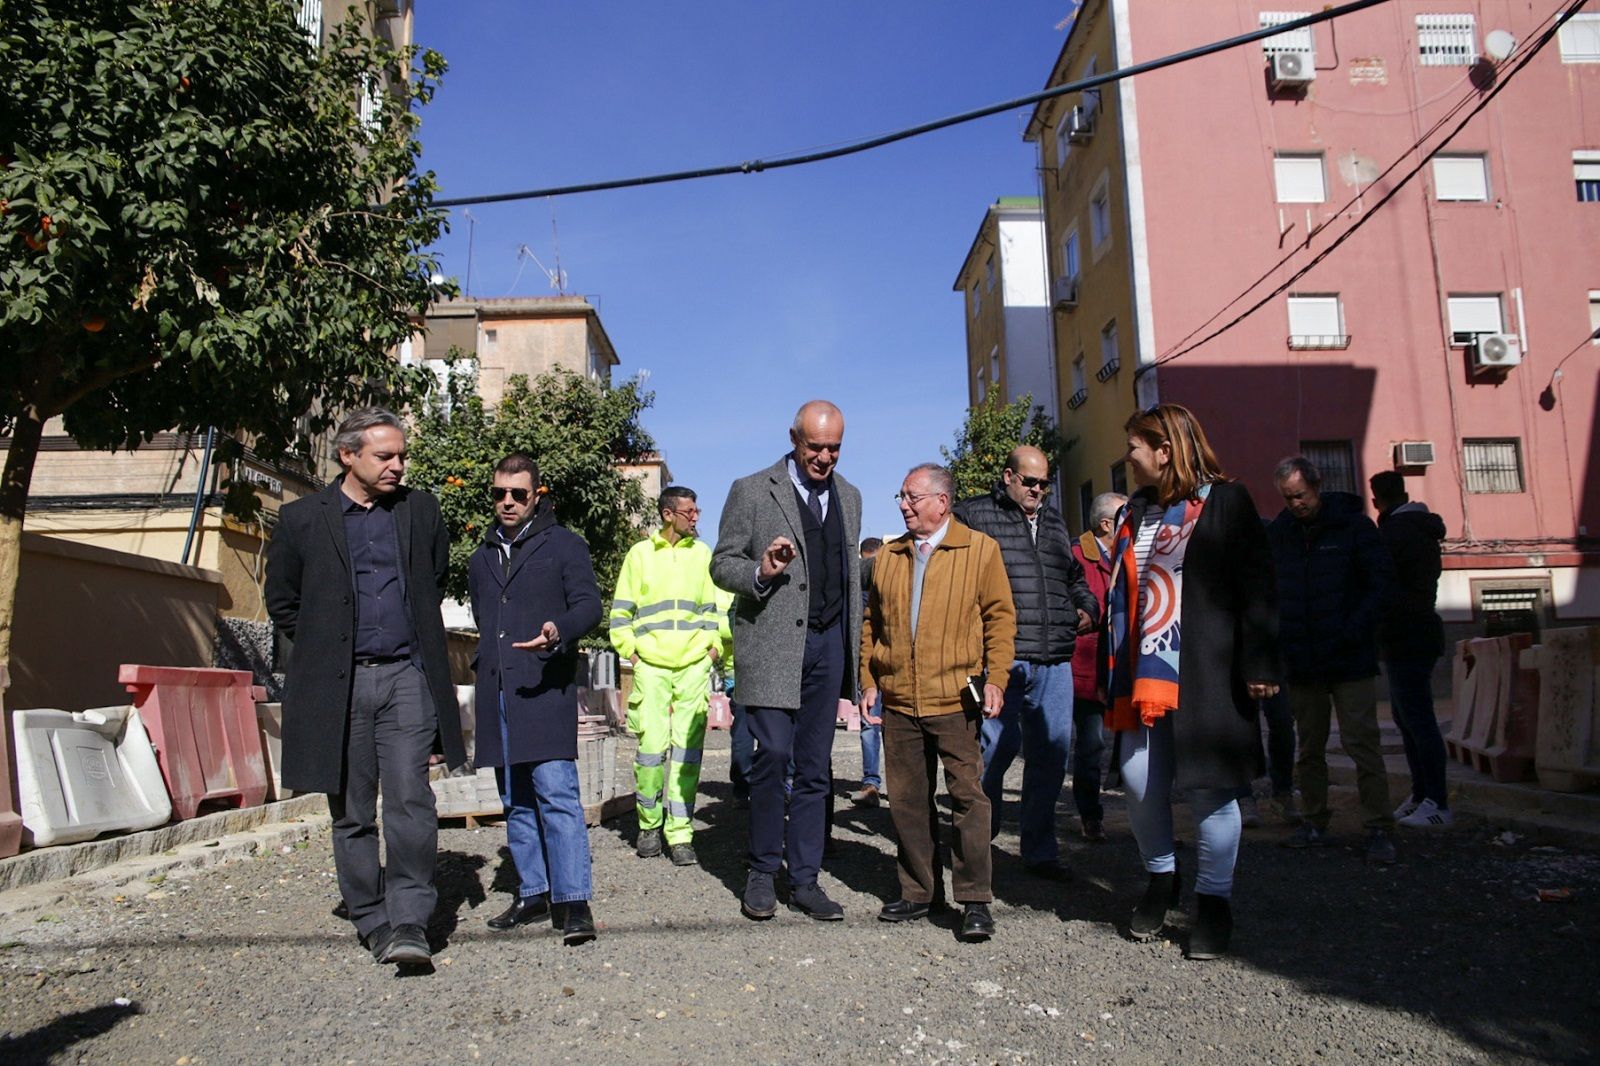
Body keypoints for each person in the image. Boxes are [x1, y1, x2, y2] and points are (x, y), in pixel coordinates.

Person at [265, 407, 465, 967]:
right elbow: (283, 603)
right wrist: (328, 644)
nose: (398, 465)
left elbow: (435, 574)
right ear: (347, 455)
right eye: (385, 456)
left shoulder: (420, 511)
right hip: (341, 685)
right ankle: (371, 917)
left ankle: (408, 920)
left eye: (402, 455)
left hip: (407, 677)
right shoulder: (302, 519)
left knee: (411, 800)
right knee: (351, 809)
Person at [1102, 404, 1279, 961]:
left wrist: (1261, 662)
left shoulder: (1226, 502)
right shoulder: (1134, 512)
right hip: (1140, 672)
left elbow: (1257, 584)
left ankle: (1214, 900)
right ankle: (1161, 876)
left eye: (1134, 446)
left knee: (1209, 789)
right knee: (1137, 779)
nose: (1127, 457)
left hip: (1207, 669)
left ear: (1165, 449)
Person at [711, 400, 862, 922]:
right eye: (815, 446)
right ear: (794, 438)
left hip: (827, 647)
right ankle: (760, 870)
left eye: (834, 448)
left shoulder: (850, 496)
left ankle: (805, 880)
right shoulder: (751, 490)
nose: (824, 458)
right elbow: (721, 563)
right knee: (773, 756)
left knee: (817, 768)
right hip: (772, 647)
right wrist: (762, 570)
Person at [861, 463, 1016, 941]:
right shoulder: (888, 556)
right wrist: (869, 679)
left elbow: (1000, 619)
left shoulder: (979, 550)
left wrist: (997, 679)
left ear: (942, 502)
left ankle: (974, 900)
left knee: (968, 798)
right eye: (901, 497)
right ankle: (918, 891)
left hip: (955, 697)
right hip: (901, 699)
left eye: (912, 497)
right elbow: (872, 624)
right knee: (907, 800)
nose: (904, 505)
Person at [468, 454, 602, 944]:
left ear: (536, 496)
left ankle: (573, 900)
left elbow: (589, 605)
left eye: (518, 494)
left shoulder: (565, 545)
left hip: (545, 686)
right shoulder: (480, 555)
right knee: (515, 799)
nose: (507, 502)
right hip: (498, 691)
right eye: (499, 493)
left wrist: (558, 630)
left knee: (556, 793)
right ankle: (532, 891)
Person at [954, 446, 1098, 880]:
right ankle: (978, 845)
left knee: (1050, 759)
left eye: (1044, 483)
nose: (1038, 489)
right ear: (1009, 477)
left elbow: (1074, 578)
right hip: (1003, 659)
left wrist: (1088, 607)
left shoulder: (1054, 522)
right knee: (992, 754)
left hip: (1054, 659)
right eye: (1030, 481)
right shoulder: (974, 515)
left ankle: (1039, 852)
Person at [1268, 456, 1398, 863]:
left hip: (1349, 658)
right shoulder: (1281, 534)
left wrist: (1352, 632)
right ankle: (1314, 820)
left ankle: (1378, 827)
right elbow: (1270, 592)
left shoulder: (1354, 528)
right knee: (1309, 747)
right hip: (1303, 661)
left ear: (1316, 486)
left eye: (1300, 496)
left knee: (1362, 742)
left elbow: (1380, 586)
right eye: (1288, 498)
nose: (1296, 504)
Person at [610, 486, 726, 867]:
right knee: (650, 751)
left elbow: (715, 608)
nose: (696, 517)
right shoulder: (639, 555)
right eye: (689, 511)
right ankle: (648, 826)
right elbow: (621, 612)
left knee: (688, 754)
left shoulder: (703, 554)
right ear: (667, 514)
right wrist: (632, 652)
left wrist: (713, 649)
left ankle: (680, 833)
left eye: (697, 510)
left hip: (693, 664)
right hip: (652, 666)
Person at [1370, 470, 1452, 829]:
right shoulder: (1421, 529)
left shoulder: (1394, 534)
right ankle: (1423, 795)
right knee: (1410, 719)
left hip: (1406, 636)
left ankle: (1436, 800)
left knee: (1416, 720)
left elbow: (1383, 587)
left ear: (1376, 502)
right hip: (1416, 633)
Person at [1069, 490, 1126, 842]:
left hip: (1119, 667)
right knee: (1088, 748)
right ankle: (1090, 816)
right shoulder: (1075, 555)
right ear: (1107, 524)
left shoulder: (1129, 553)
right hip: (1082, 670)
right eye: (1125, 515)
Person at [849, 537, 886, 807]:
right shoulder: (867, 585)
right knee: (876, 726)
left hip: (871, 665)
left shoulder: (857, 588)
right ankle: (875, 782)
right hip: (877, 665)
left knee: (870, 726)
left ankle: (872, 782)